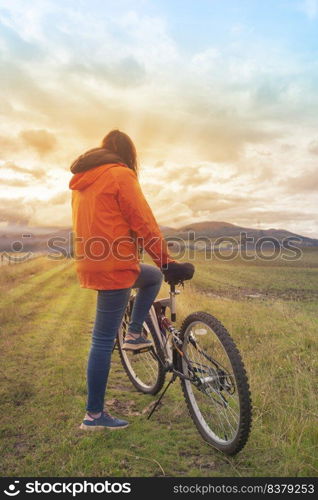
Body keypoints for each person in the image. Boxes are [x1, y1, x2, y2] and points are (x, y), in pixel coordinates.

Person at [69, 130, 194, 431]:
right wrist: (166, 261)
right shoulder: (120, 174)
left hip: (92, 261)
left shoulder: (82, 181)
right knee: (100, 340)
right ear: (129, 154)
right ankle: (94, 416)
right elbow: (143, 222)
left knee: (149, 278)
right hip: (115, 265)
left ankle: (135, 332)